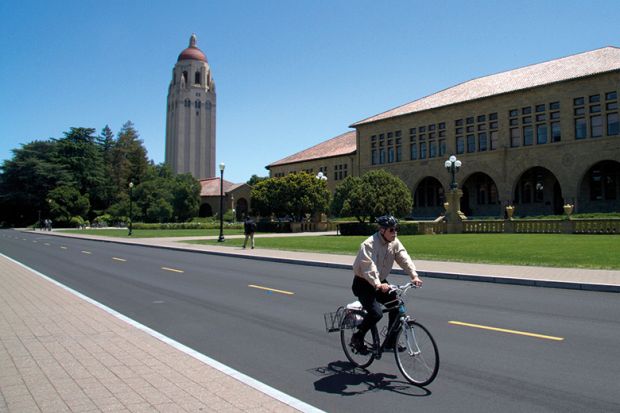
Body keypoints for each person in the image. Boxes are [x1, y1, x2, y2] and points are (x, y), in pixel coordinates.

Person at [350, 214, 423, 352]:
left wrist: (414, 275)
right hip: (363, 283)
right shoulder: (369, 244)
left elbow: (403, 258)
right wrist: (378, 284)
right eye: (391, 230)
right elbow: (368, 267)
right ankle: (358, 336)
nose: (394, 232)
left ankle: (390, 342)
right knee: (376, 313)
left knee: (396, 306)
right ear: (382, 230)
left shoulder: (394, 242)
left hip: (380, 282)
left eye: (396, 229)